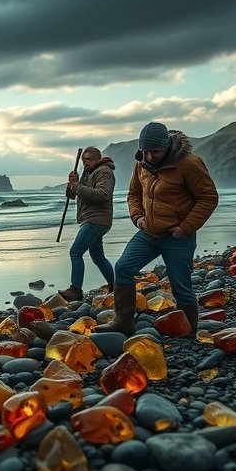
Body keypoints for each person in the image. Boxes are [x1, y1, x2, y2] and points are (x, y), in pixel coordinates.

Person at [95, 122, 218, 335]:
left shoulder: (189, 163)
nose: (150, 156)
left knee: (181, 286)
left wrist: (185, 228)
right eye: (146, 151)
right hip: (148, 233)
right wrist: (137, 217)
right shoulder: (141, 164)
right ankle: (123, 322)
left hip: (177, 236)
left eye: (155, 152)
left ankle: (189, 331)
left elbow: (208, 197)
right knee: (123, 268)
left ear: (167, 145)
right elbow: (134, 193)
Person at [59, 147, 116, 301]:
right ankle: (116, 286)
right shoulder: (89, 174)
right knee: (97, 256)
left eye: (89, 159)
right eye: (84, 160)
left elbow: (102, 195)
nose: (85, 162)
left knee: (75, 252)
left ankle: (76, 290)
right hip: (92, 219)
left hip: (96, 220)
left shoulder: (104, 172)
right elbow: (75, 195)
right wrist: (72, 185)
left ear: (98, 159)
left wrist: (77, 186)